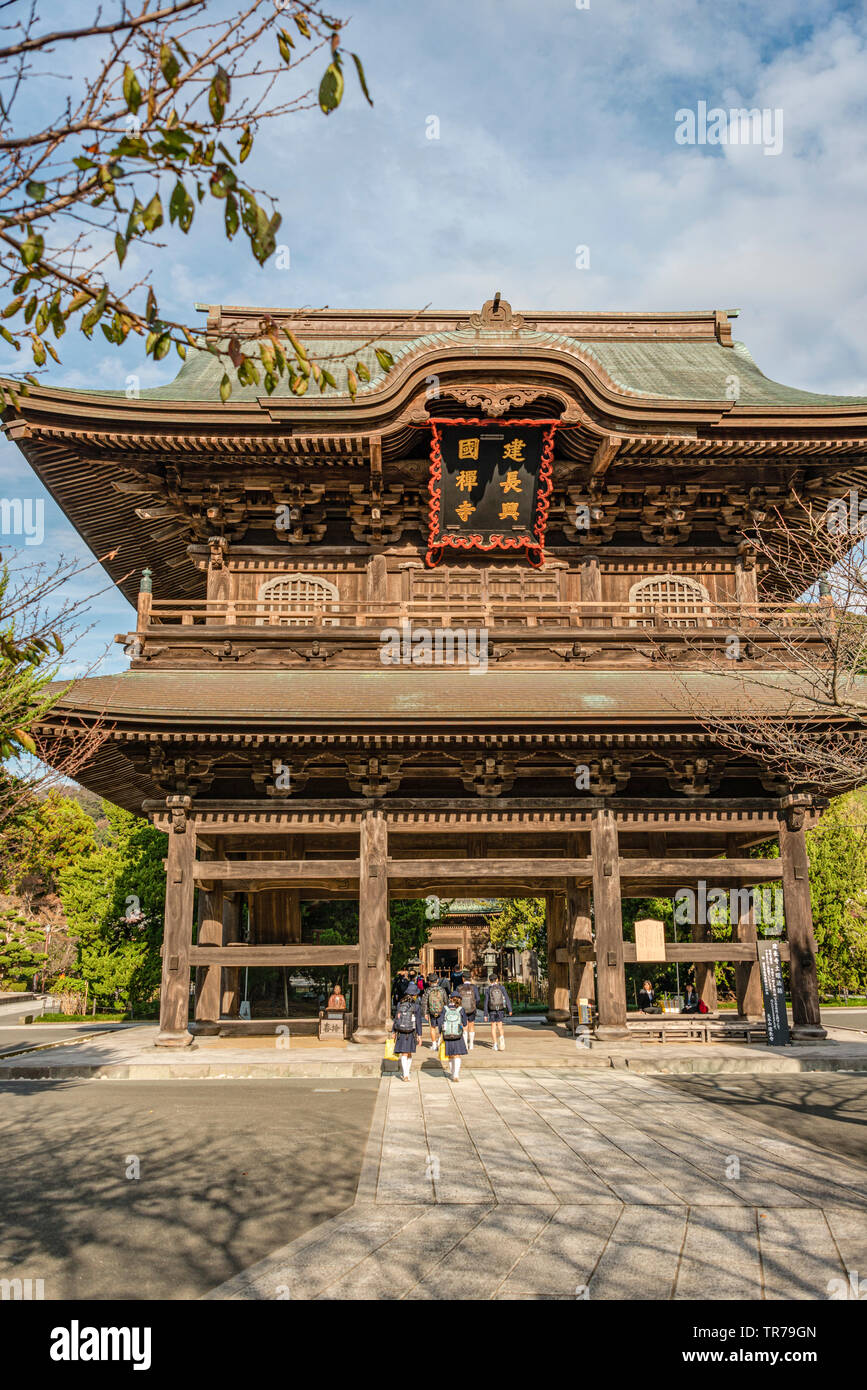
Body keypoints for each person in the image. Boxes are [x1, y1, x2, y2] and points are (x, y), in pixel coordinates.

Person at [391, 983, 423, 1081]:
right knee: (408, 1053)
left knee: (403, 1053)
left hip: (401, 1031)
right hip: (411, 1031)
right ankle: (406, 1073)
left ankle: (405, 1073)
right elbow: (418, 1022)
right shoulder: (416, 1006)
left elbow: (397, 1018)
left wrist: (393, 1031)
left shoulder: (400, 1004)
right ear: (414, 995)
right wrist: (419, 1035)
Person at [440, 993, 468, 1082]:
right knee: (457, 1055)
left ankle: (452, 1074)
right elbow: (465, 1022)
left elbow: (440, 1022)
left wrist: (440, 1034)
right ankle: (456, 1074)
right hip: (458, 1034)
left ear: (450, 999)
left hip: (447, 1034)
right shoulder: (461, 1009)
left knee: (451, 1055)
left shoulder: (445, 1009)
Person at [484, 974, 513, 1051]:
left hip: (492, 1010)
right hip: (500, 1009)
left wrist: (485, 1014)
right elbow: (506, 998)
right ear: (497, 979)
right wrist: (510, 1009)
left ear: (490, 981)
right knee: (500, 1026)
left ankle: (495, 1045)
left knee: (493, 1027)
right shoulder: (502, 988)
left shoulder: (488, 989)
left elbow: (486, 1002)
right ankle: (502, 1039)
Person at [422, 973, 448, 1049]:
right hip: (441, 1011)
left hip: (431, 1011)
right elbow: (445, 1001)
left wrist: (425, 1013)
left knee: (432, 1027)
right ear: (437, 980)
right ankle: (440, 1042)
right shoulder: (442, 990)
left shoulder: (428, 990)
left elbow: (424, 1002)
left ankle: (434, 1044)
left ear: (429, 981)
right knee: (441, 1028)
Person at [458, 975, 480, 1050]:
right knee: (471, 1025)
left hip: (462, 1009)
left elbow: (456, 999)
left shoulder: (459, 987)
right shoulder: (474, 987)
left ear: (463, 979)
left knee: (464, 1026)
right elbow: (478, 999)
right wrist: (474, 1006)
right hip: (472, 1009)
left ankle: (465, 1044)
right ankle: (471, 1044)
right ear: (470, 979)